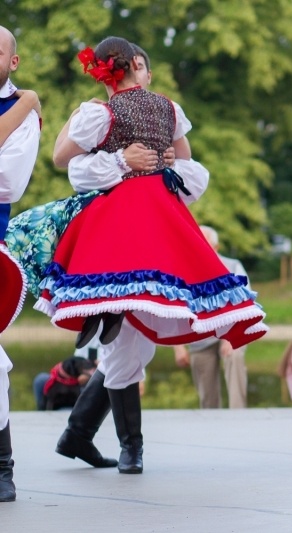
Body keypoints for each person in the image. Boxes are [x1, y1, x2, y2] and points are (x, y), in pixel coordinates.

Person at [21, 41, 216, 474]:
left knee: (133, 340)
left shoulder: (128, 111)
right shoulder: (131, 109)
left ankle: (78, 436)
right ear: (131, 70)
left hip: (139, 222)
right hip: (136, 223)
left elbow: (62, 159)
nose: (142, 73)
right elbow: (66, 160)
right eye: (139, 66)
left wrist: (152, 160)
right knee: (129, 337)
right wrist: (126, 158)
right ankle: (127, 447)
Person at [0, 24, 40, 503]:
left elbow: (6, 183)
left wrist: (26, 103)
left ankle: (2, 466)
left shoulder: (22, 113)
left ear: (14, 62)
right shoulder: (23, 107)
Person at [174, 225, 249, 409]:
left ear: (216, 247)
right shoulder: (181, 270)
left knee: (235, 355)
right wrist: (178, 347)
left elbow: (244, 302)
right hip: (199, 335)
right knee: (207, 398)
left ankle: (239, 416)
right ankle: (210, 424)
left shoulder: (233, 266)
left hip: (231, 330)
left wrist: (232, 337)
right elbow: (174, 308)